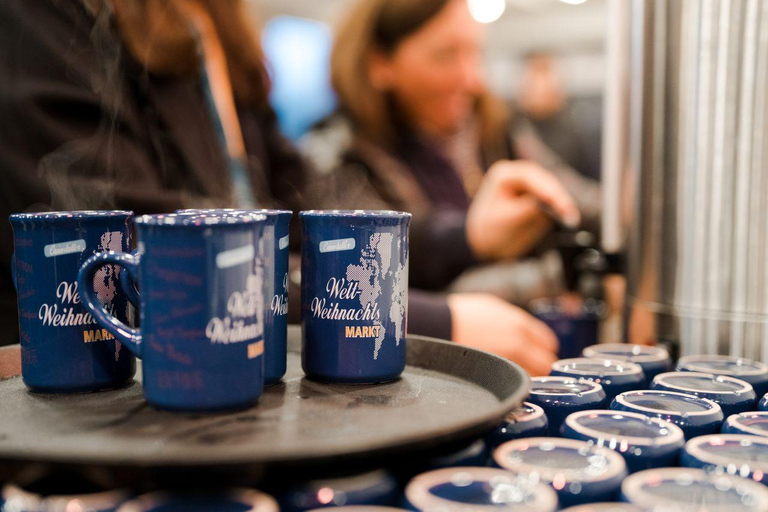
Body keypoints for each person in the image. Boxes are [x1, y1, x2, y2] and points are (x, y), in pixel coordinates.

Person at [0, 0, 563, 375]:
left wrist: (468, 236)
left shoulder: (219, 31)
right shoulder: (56, 15)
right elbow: (151, 247)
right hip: (118, 392)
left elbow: (311, 216)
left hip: (248, 378)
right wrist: (432, 320)